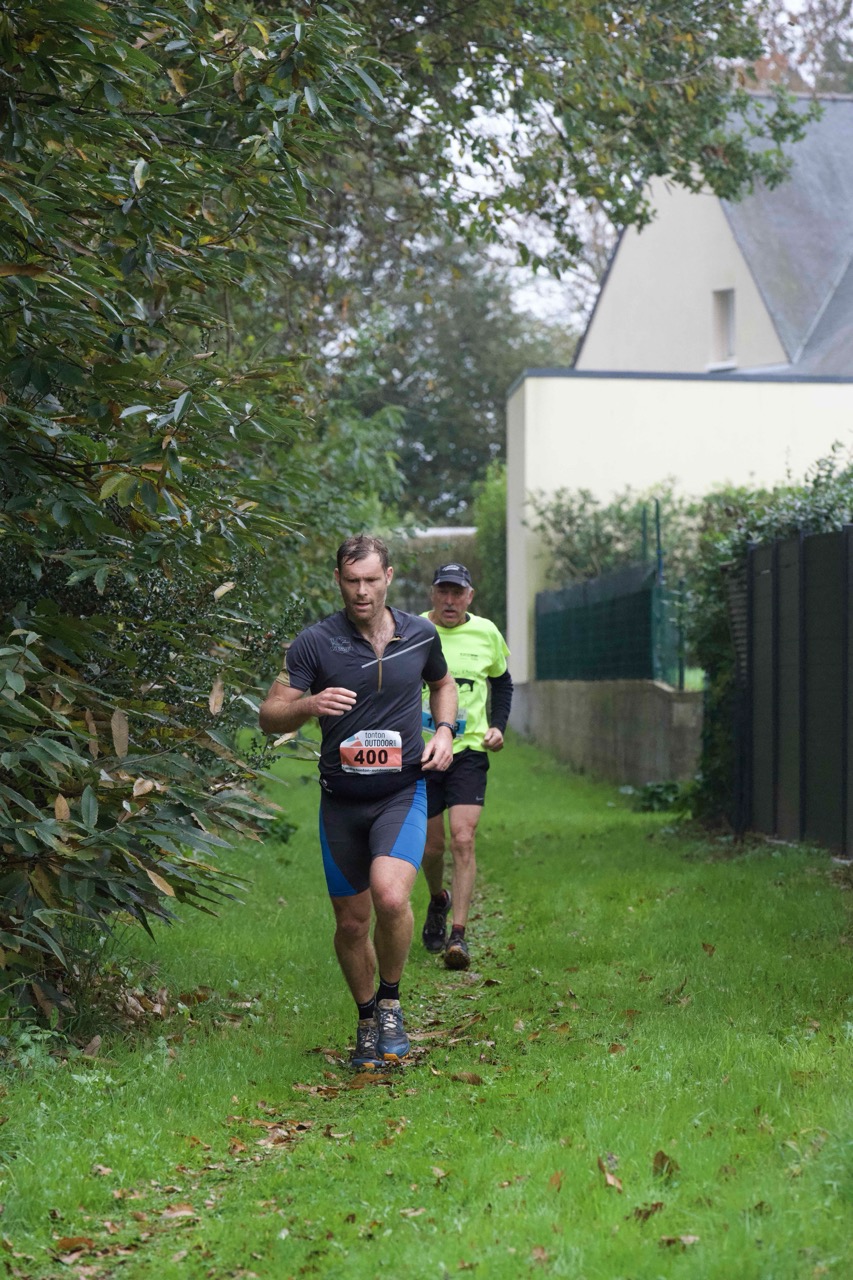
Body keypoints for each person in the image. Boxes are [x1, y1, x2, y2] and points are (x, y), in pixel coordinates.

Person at [259, 535, 457, 1068]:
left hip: (401, 791)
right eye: (352, 581)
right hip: (341, 802)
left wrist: (444, 730)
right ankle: (366, 1018)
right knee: (351, 924)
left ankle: (390, 1004)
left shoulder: (420, 634)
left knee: (390, 898)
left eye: (371, 580)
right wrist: (309, 704)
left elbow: (443, 685)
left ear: (388, 577)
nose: (362, 591)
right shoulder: (314, 643)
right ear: (338, 581)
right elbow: (269, 714)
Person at [420, 563, 513, 969]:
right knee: (431, 847)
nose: (449, 600)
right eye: (443, 591)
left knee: (463, 838)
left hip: (469, 752)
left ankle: (458, 935)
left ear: (469, 597)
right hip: (422, 753)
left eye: (457, 593)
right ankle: (437, 899)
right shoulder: (413, 630)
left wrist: (498, 726)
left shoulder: (487, 632)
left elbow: (503, 682)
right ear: (432, 594)